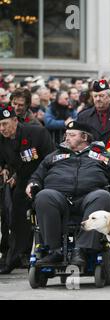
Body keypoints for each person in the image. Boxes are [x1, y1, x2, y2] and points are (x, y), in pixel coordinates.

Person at [26, 121, 110, 266]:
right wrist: (33, 183)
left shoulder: (103, 155)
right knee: (44, 196)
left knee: (102, 196)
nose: (66, 138)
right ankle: (54, 251)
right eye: (66, 135)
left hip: (90, 198)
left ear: (84, 137)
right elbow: (37, 176)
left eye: (71, 135)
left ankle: (81, 250)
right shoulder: (54, 156)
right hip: (58, 197)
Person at [0, 104, 54, 274]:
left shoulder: (36, 133)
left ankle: (51, 252)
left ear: (15, 121)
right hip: (22, 182)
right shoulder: (1, 138)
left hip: (44, 180)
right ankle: (13, 258)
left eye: (5, 124)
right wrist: (5, 168)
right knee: (15, 220)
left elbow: (51, 158)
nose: (2, 128)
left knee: (45, 218)